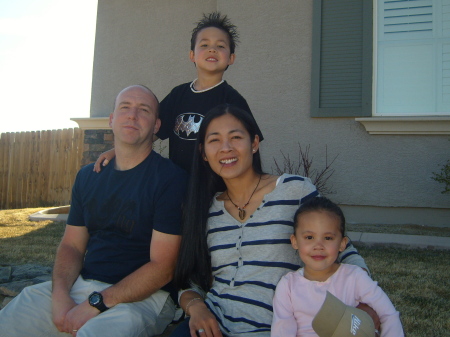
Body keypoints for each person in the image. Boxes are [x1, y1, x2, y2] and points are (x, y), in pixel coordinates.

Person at [0, 85, 188, 337]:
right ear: (111, 120)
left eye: (144, 110)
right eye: (125, 108)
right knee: (12, 319)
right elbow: (72, 246)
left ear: (156, 126)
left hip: (144, 298)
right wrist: (60, 295)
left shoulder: (171, 179)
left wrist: (96, 303)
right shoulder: (88, 176)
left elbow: (162, 267)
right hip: (83, 285)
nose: (132, 115)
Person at [170, 104, 368, 337]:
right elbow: (190, 280)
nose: (226, 148)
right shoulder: (205, 209)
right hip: (214, 327)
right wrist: (197, 308)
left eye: (235, 137)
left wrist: (367, 305)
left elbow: (344, 253)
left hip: (279, 329)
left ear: (254, 143)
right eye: (214, 140)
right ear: (203, 152)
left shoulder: (294, 191)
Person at [94, 12, 263, 173]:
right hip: (179, 187)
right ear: (192, 55)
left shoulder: (233, 101)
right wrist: (117, 151)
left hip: (218, 190)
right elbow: (150, 133)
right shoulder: (178, 95)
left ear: (231, 58)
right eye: (204, 45)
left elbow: (250, 149)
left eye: (220, 45)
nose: (212, 49)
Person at [271, 197, 404, 337]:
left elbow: (388, 315)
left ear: (342, 243)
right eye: (309, 237)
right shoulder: (288, 286)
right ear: (295, 241)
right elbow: (282, 330)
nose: (318, 246)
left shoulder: (355, 277)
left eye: (328, 238)